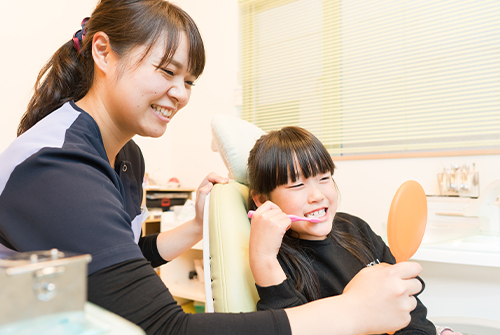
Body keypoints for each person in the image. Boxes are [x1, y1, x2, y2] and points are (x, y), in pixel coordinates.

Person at [0, 1, 424, 334]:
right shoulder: (57, 165)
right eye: (167, 71)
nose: (181, 94)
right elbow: (163, 328)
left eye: (189, 81)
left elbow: (117, 267)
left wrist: (194, 228)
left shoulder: (127, 155)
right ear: (103, 52)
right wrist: (350, 312)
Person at [247, 126, 462, 335]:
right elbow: (290, 326)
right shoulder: (277, 262)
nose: (317, 196)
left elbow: (407, 303)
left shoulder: (355, 228)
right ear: (263, 200)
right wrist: (263, 258)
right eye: (297, 185)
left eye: (324, 178)